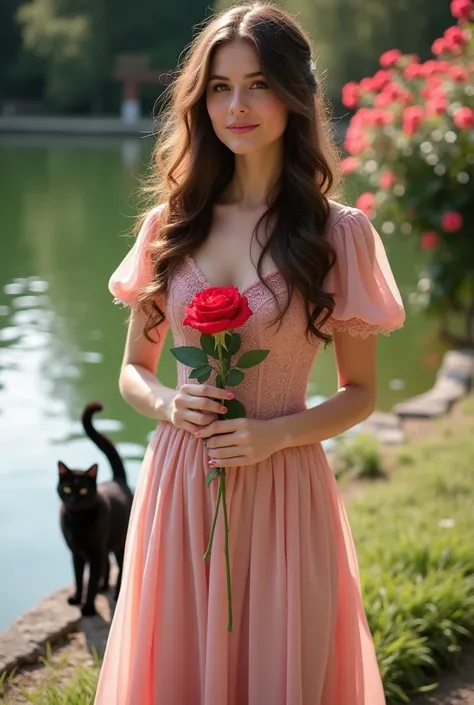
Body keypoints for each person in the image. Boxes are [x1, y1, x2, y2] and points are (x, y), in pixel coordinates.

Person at [93, 3, 405, 704]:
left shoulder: (338, 235)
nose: (237, 105)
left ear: (294, 94)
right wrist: (172, 401)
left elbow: (361, 392)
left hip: (285, 492)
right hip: (179, 488)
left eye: (258, 83)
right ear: (200, 100)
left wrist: (273, 435)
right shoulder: (168, 226)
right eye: (220, 86)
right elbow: (133, 371)